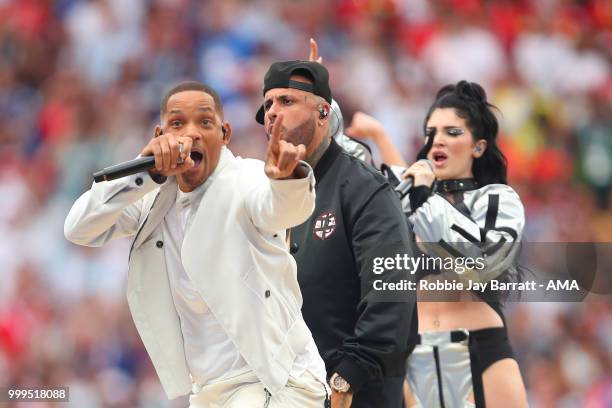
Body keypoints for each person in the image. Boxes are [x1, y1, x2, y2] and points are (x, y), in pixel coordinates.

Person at [64, 81, 331, 407]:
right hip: (210, 392)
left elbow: (283, 209)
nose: (190, 134)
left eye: (205, 122)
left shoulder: (246, 178)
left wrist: (287, 180)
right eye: (177, 124)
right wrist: (146, 171)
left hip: (277, 382)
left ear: (225, 133)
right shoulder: (153, 199)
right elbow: (78, 228)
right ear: (159, 135)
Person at [348, 81, 529, 407]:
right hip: (412, 355)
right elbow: (400, 185)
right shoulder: (416, 197)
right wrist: (378, 136)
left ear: (478, 146)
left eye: (452, 132)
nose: (438, 140)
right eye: (431, 132)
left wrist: (421, 197)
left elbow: (480, 262)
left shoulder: (497, 200)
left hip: (481, 352)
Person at [255, 59, 418, 408]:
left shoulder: (364, 189)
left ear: (323, 113)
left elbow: (392, 292)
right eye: (268, 104)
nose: (272, 112)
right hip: (285, 391)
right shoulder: (263, 197)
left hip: (353, 393)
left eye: (287, 101)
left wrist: (350, 374)